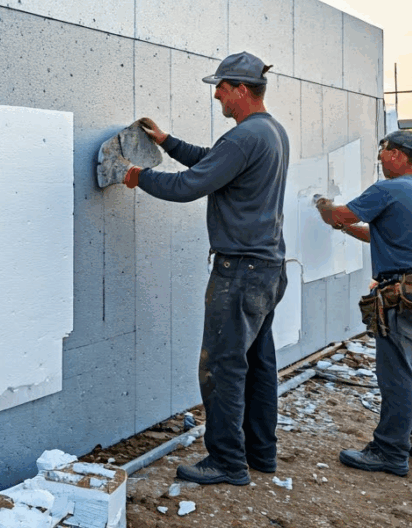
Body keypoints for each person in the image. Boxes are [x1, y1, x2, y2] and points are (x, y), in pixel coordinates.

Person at [122, 51, 289, 486]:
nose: (216, 95)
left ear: (241, 90)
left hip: (240, 272)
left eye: (221, 87)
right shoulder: (269, 131)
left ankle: (226, 462)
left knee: (221, 367)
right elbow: (212, 164)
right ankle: (260, 454)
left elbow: (191, 186)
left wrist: (138, 176)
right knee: (257, 362)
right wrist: (166, 141)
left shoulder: (243, 137)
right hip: (267, 267)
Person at [315, 130, 412, 476]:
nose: (379, 158)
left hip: (403, 295)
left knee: (398, 372)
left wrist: (323, 206)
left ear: (397, 155)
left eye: (383, 151)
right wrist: (346, 229)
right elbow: (382, 233)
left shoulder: (388, 189)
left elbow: (340, 215)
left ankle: (390, 452)